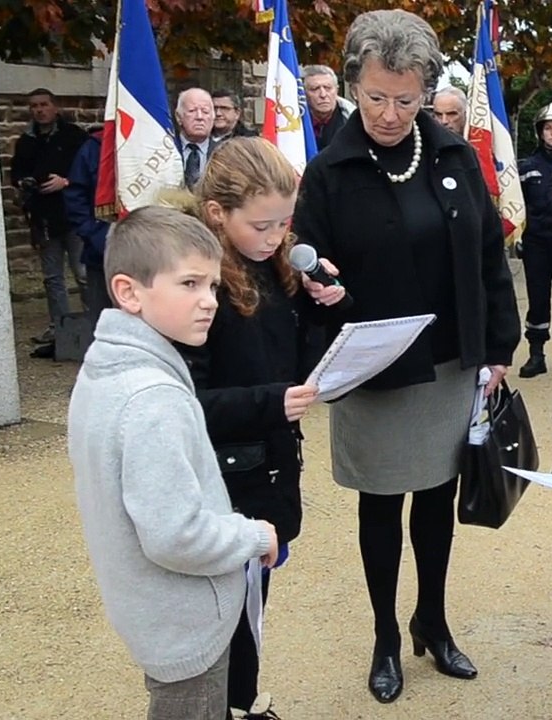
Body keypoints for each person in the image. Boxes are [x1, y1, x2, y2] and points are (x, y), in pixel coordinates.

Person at [290, 9, 520, 705]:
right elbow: (301, 263)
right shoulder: (328, 172)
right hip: (372, 366)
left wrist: (499, 348)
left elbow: (487, 255)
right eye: (376, 97)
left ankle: (433, 621)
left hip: (449, 362)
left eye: (407, 98)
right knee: (381, 506)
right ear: (355, 84)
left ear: (426, 89)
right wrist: (312, 280)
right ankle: (386, 636)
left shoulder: (452, 155)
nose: (390, 113)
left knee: (435, 500)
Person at [68, 206, 278, 719]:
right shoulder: (152, 398)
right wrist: (254, 536)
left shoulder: (105, 369)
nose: (208, 302)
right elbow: (173, 535)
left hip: (154, 611)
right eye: (189, 284)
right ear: (129, 291)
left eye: (211, 286)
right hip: (184, 625)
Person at [167, 137, 336, 719]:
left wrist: (321, 304)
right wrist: (270, 402)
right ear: (218, 215)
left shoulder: (276, 265)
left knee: (253, 597)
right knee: (225, 604)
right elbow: (184, 400)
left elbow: (293, 358)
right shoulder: (196, 288)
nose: (275, 238)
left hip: (269, 461)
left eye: (284, 224)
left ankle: (243, 698)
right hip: (225, 477)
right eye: (262, 225)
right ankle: (236, 703)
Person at [9, 87, 89, 348]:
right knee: (52, 276)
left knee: (83, 272)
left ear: (55, 107)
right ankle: (60, 326)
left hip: (72, 213)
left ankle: (94, 323)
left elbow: (90, 170)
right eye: (34, 106)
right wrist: (23, 182)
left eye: (44, 104)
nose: (39, 110)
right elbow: (16, 173)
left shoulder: (73, 136)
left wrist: (65, 181)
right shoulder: (26, 141)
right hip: (44, 217)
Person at [517, 102, 552, 379]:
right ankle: (536, 354)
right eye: (548, 128)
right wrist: (517, 236)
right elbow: (517, 205)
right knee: (537, 299)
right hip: (536, 242)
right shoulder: (527, 166)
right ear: (539, 132)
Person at [63, 126, 114, 324]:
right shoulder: (93, 148)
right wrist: (94, 234)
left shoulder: (155, 145)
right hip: (101, 252)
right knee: (103, 320)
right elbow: (75, 195)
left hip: (147, 254)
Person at [303, 65, 351, 149]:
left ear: (337, 91)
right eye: (315, 89)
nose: (323, 95)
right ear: (304, 93)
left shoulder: (352, 120)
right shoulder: (296, 123)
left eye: (328, 88)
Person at [177, 88, 216, 189]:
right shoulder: (165, 150)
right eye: (192, 111)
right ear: (178, 117)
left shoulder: (224, 153)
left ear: (213, 117)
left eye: (205, 112)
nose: (199, 117)